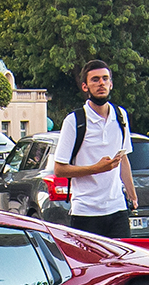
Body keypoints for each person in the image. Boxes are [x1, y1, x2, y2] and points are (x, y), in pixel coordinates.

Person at [49, 59, 137, 239]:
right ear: (85, 86)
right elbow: (59, 169)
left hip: (117, 209)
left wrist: (132, 195)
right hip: (86, 212)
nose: (101, 84)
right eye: (95, 80)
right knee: (88, 267)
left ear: (111, 84)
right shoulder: (74, 121)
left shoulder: (120, 116)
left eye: (105, 79)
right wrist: (96, 169)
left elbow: (123, 159)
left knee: (120, 266)